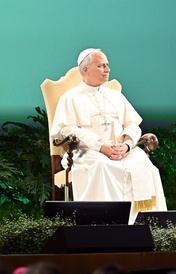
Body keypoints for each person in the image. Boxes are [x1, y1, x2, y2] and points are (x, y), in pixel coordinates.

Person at [50, 48, 167, 224]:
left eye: (107, 65)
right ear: (86, 69)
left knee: (146, 165)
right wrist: (100, 146)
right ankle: (105, 224)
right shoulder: (70, 98)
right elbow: (66, 129)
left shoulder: (116, 96)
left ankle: (148, 223)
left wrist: (127, 145)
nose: (107, 69)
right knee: (102, 165)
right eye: (101, 66)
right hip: (85, 150)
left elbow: (132, 124)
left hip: (121, 149)